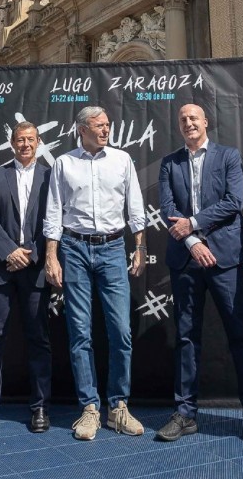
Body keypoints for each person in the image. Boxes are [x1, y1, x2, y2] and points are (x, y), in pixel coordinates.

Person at [156, 104, 243, 447]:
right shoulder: (169, 163)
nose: (188, 122)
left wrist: (193, 223)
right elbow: (166, 209)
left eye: (194, 118)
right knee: (187, 337)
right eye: (183, 119)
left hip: (224, 258)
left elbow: (234, 202)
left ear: (205, 122)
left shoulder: (228, 156)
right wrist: (191, 241)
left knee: (241, 335)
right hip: (186, 259)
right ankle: (185, 413)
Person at [44, 106, 147, 441]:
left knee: (121, 331)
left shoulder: (122, 160)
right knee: (80, 333)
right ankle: (89, 409)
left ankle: (118, 407)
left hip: (113, 248)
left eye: (107, 125)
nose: (106, 130)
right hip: (73, 249)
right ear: (82, 129)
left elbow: (135, 206)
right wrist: (51, 256)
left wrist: (140, 246)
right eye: (99, 125)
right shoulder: (63, 163)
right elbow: (54, 210)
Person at [0, 122, 52, 435]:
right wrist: (9, 252)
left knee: (39, 340)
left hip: (34, 269)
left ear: (38, 142)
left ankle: (40, 406)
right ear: (12, 143)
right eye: (20, 139)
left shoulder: (51, 176)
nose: (25, 144)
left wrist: (30, 254)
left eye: (31, 139)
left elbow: (55, 219)